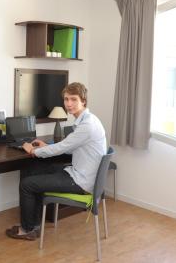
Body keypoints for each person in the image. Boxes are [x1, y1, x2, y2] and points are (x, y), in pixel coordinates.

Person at [6, 82, 107, 240]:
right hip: (81, 174)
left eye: (73, 99)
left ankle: (27, 230)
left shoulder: (87, 125)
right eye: (66, 99)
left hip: (81, 182)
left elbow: (62, 148)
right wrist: (46, 145)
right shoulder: (89, 120)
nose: (68, 104)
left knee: (27, 184)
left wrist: (34, 150)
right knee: (31, 170)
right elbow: (70, 146)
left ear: (84, 101)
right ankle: (34, 225)